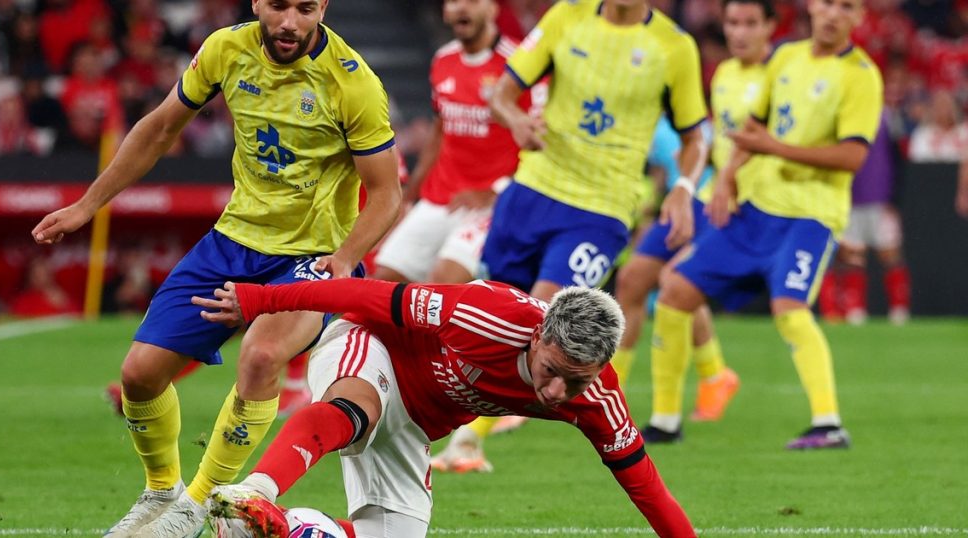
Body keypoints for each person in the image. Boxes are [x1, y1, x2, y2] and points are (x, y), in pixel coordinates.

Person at [30, 1, 401, 536]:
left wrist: (343, 260)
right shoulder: (226, 49)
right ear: (256, 3)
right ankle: (161, 490)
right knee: (139, 374)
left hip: (312, 255)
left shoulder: (353, 83)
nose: (290, 22)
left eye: (305, 8)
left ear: (323, 7)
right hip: (232, 242)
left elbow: (387, 194)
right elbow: (160, 129)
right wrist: (88, 205)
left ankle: (197, 506)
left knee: (262, 355)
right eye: (278, 5)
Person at [192, 278, 696, 538]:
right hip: (372, 343)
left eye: (577, 380)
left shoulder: (599, 399)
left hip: (414, 423)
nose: (558, 391)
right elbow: (363, 294)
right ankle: (255, 492)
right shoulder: (485, 315)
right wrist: (260, 300)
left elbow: (647, 488)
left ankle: (276, 527)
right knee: (359, 410)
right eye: (552, 370)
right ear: (538, 336)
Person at [435, 0, 710, 473]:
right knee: (495, 315)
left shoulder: (674, 46)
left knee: (544, 313)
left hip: (602, 209)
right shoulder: (567, 16)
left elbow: (694, 137)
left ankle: (466, 441)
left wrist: (684, 188)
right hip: (533, 190)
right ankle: (446, 418)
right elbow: (502, 94)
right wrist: (516, 120)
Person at [644, 0, 882, 449]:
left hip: (811, 215)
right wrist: (727, 177)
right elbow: (754, 128)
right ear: (812, 7)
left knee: (789, 307)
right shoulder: (787, 57)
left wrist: (776, 149)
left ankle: (828, 424)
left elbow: (853, 156)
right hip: (757, 209)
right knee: (674, 291)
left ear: (859, 17)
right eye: (827, 3)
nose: (833, 14)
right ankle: (665, 421)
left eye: (846, 6)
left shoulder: (861, 75)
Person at [611, 0, 777, 426]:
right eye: (733, 23)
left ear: (769, 28)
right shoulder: (722, 75)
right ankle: (610, 388)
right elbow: (711, 141)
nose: (739, 33)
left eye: (750, 23)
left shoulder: (780, 77)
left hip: (743, 204)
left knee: (677, 282)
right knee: (632, 278)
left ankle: (699, 384)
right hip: (704, 193)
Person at [374, 0, 534, 286]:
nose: (461, 8)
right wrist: (410, 194)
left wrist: (494, 191)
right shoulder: (443, 60)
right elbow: (440, 130)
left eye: (472, 1)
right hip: (441, 197)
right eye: (453, 1)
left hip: (491, 204)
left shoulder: (521, 64)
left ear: (492, 8)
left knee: (443, 283)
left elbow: (538, 140)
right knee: (384, 280)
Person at [818, 113, 911, 325]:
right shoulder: (842, 115)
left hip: (881, 200)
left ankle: (900, 311)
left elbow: (900, 159)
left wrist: (896, 199)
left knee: (890, 254)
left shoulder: (888, 118)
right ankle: (855, 311)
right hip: (850, 200)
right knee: (853, 257)